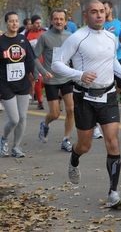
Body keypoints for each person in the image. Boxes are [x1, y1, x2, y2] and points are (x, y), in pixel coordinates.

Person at [51, 0, 121, 208]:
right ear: (85, 16)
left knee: (112, 141)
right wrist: (79, 74)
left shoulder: (110, 37)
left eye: (102, 12)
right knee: (85, 145)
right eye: (94, 12)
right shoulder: (77, 38)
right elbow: (56, 63)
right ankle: (74, 158)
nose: (99, 15)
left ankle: (113, 192)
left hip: (108, 95)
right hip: (84, 98)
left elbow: (111, 61)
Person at [35, 8, 74, 152]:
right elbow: (34, 57)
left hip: (66, 78)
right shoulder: (44, 37)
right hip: (51, 79)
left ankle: (66, 139)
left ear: (65, 22)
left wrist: (76, 74)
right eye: (56, 19)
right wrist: (43, 72)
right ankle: (45, 124)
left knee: (71, 109)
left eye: (61, 19)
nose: (58, 22)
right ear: (51, 21)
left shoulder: (70, 36)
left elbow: (75, 56)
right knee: (55, 114)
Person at [0, 11, 36, 158]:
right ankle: (4, 139)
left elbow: (30, 58)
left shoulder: (22, 39)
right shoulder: (1, 41)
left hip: (22, 83)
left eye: (16, 21)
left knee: (22, 117)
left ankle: (16, 146)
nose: (14, 24)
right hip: (5, 84)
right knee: (14, 119)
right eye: (11, 21)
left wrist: (32, 74)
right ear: (6, 23)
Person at [25, 15, 46, 110]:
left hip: (46, 61)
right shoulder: (28, 34)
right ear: (32, 24)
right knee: (37, 81)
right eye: (37, 23)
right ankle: (40, 102)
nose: (39, 25)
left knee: (44, 81)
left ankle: (39, 95)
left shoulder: (45, 32)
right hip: (35, 62)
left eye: (40, 23)